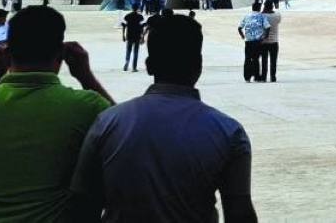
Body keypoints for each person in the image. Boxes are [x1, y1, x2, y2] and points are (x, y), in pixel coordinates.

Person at [69, 14, 257, 222]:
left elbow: (83, 206)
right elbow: (239, 213)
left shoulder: (107, 123)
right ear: (199, 65)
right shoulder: (229, 132)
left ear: (149, 65)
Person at [0, 6, 114, 221]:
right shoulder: (87, 106)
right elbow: (126, 135)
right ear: (62, 54)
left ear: (5, 55)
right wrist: (86, 77)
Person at [236, 3, 270, 83]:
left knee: (247, 59)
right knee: (256, 59)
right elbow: (268, 27)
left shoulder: (246, 16)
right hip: (258, 42)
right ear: (259, 8)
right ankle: (256, 77)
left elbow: (239, 28)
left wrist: (242, 36)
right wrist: (265, 38)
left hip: (248, 42)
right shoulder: (262, 16)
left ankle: (247, 77)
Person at [260, 0, 282, 83]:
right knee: (273, 60)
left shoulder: (261, 15)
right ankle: (273, 77)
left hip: (263, 41)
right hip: (274, 41)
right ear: (272, 6)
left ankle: (264, 77)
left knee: (264, 60)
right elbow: (278, 21)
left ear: (265, 6)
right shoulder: (277, 15)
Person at [120, 7, 145, 72]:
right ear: (137, 9)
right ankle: (134, 67)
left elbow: (124, 26)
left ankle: (127, 62)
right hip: (137, 36)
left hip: (129, 36)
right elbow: (141, 27)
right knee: (135, 52)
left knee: (128, 51)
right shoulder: (140, 17)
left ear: (132, 8)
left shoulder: (128, 16)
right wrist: (142, 38)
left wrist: (123, 36)